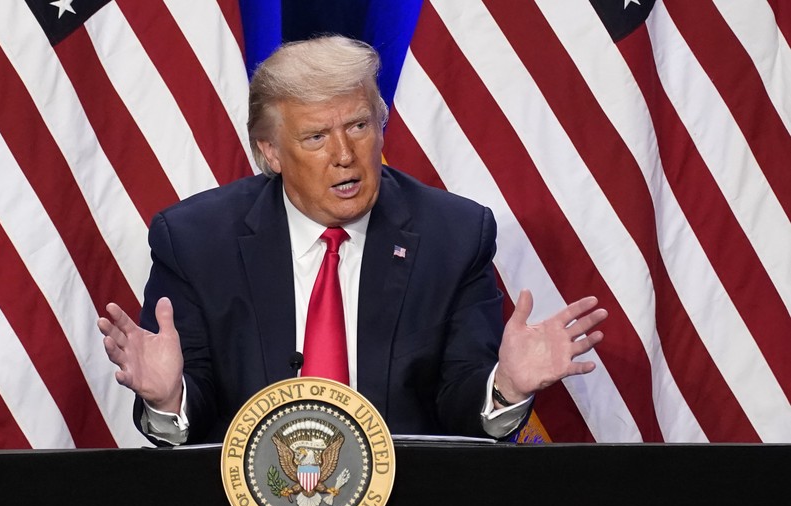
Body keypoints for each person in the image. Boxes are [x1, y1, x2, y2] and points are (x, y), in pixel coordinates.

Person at [97, 35, 607, 445]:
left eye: (360, 125)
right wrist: (168, 400)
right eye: (316, 137)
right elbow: (195, 412)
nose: (345, 154)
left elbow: (459, 405)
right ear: (270, 152)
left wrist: (506, 387)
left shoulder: (452, 236)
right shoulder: (195, 241)